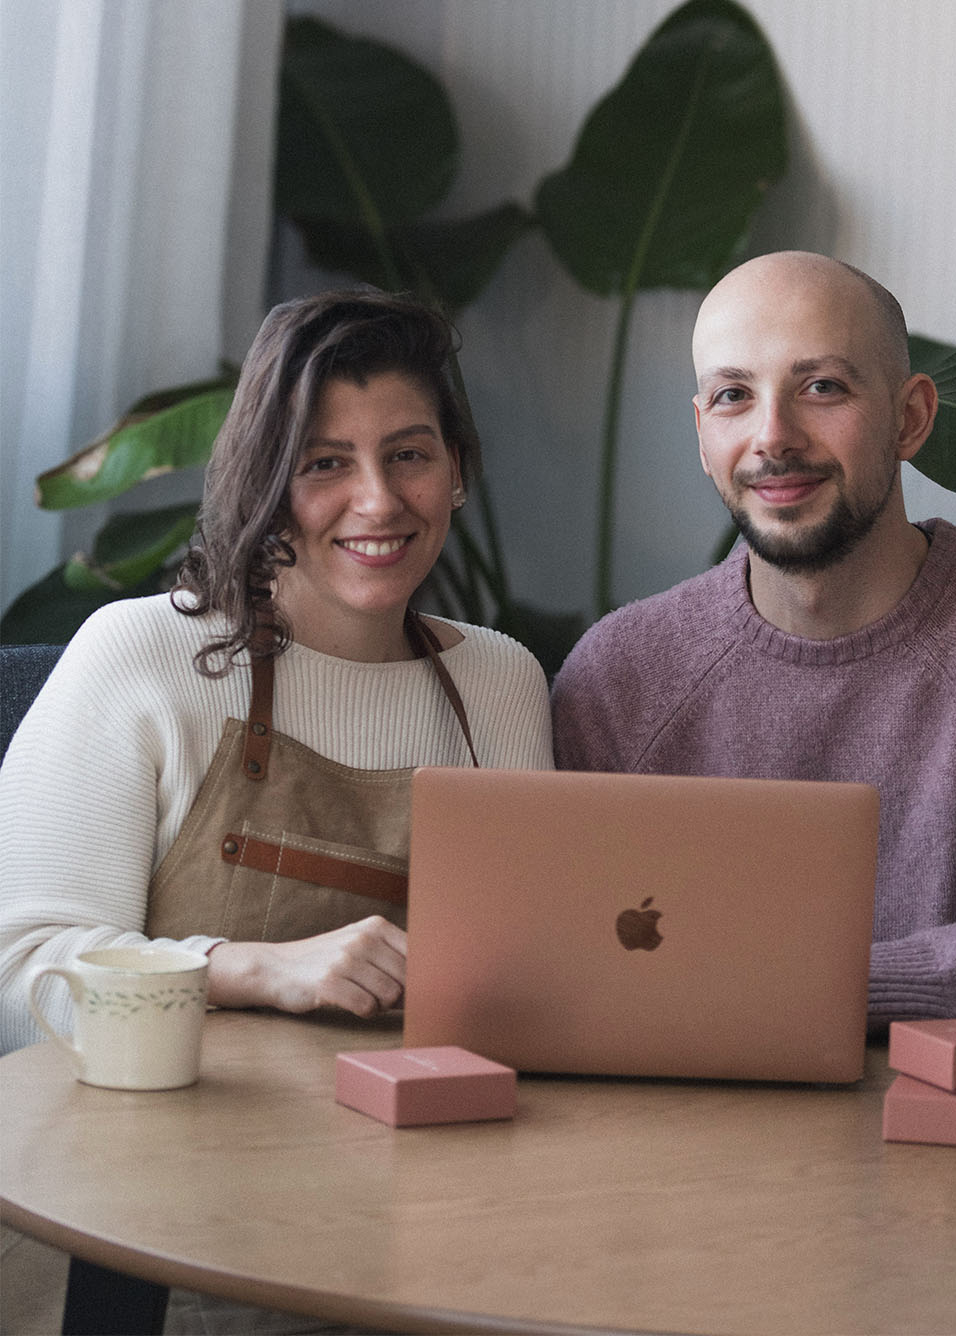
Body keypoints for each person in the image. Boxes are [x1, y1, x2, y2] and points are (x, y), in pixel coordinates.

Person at [552, 251, 956, 1045]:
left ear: (910, 418)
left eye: (822, 388)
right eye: (735, 396)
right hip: (689, 1142)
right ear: (703, 436)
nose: (774, 436)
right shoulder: (619, 674)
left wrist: (820, 982)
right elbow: (563, 953)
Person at [0, 288, 553, 1056]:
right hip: (164, 1162)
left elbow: (529, 983)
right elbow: (19, 980)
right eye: (325, 463)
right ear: (265, 482)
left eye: (409, 455)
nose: (378, 500)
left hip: (423, 1153)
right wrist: (251, 970)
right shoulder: (139, 652)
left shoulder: (502, 683)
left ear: (454, 469)